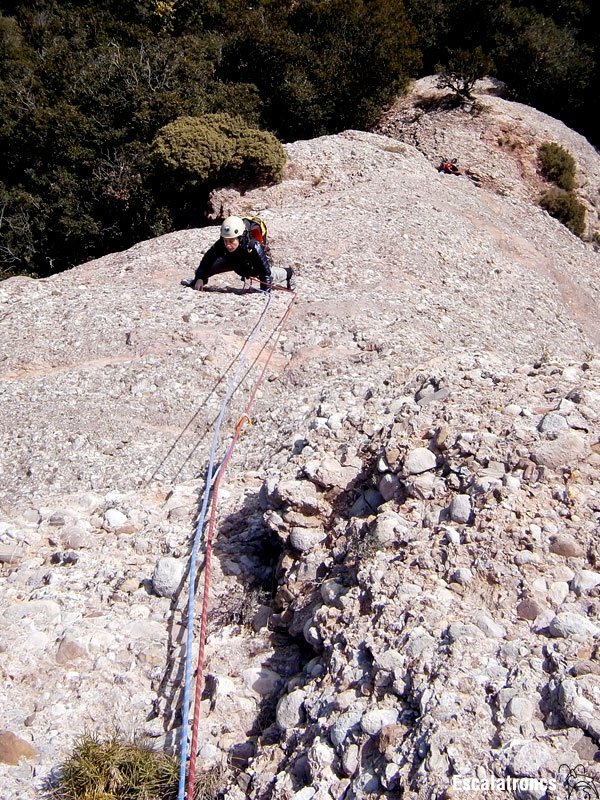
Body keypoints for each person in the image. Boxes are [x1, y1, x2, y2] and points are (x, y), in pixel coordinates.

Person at [185, 215, 295, 293]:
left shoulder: (253, 246)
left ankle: (289, 273)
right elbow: (207, 261)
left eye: (231, 241)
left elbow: (265, 273)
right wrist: (199, 278)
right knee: (208, 269)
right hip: (234, 261)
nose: (228, 245)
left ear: (240, 238)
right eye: (226, 241)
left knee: (270, 273)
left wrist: (264, 291)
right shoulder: (221, 244)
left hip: (251, 264)